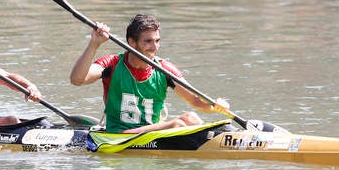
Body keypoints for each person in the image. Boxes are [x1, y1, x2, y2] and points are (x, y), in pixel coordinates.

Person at [70, 13, 230, 133]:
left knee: (192, 118)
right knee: (178, 124)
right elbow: (77, 80)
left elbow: (195, 101)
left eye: (157, 41)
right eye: (148, 41)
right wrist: (94, 44)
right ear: (131, 42)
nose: (154, 47)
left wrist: (215, 105)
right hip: (120, 135)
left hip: (152, 133)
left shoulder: (165, 69)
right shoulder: (112, 63)